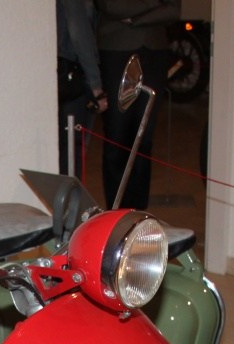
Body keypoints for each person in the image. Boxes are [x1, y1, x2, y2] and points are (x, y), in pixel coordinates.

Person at [95, 0, 179, 208]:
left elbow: (173, 9)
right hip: (116, 50)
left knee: (143, 138)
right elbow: (111, 6)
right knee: (117, 136)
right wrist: (154, 4)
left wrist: (134, 19)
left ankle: (138, 213)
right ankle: (116, 211)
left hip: (154, 52)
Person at [57, 0, 106, 177]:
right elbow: (79, 34)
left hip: (63, 75)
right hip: (75, 78)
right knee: (73, 153)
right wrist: (96, 85)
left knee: (66, 153)